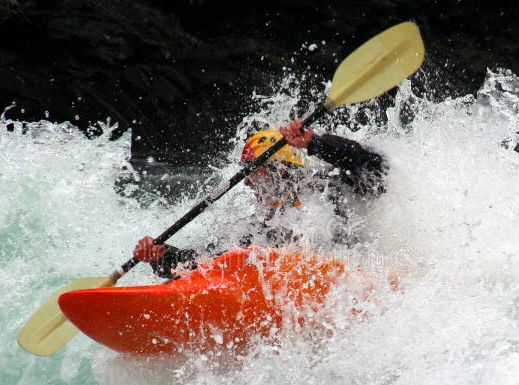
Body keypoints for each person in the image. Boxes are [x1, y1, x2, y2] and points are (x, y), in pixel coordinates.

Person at [134, 119, 388, 278]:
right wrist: (161, 256)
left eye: (253, 172)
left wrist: (316, 144)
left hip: (353, 279)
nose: (246, 181)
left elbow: (375, 168)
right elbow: (198, 266)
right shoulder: (254, 229)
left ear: (282, 171)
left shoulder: (329, 192)